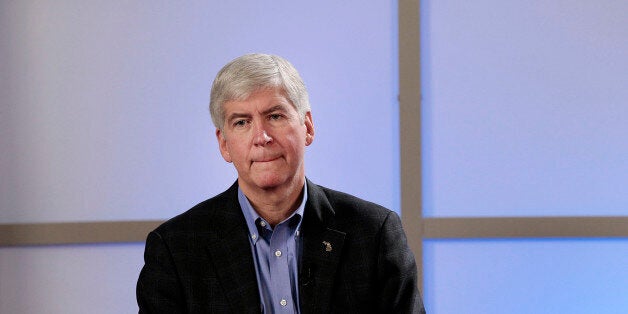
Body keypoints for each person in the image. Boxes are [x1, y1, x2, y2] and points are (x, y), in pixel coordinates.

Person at [136, 53, 425, 313]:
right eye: (241, 122)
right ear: (224, 144)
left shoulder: (374, 233)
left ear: (307, 127)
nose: (261, 137)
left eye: (275, 116)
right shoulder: (176, 249)